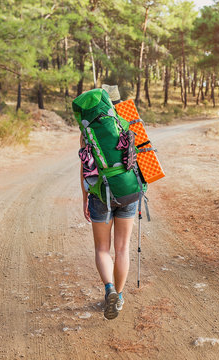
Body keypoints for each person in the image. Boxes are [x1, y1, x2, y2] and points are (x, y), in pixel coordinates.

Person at [79, 85, 136, 320]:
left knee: (102, 249)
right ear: (116, 102)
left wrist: (85, 197)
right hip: (128, 190)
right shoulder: (128, 120)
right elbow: (142, 156)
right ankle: (119, 297)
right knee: (122, 248)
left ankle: (109, 289)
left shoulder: (87, 129)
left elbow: (85, 167)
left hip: (101, 193)